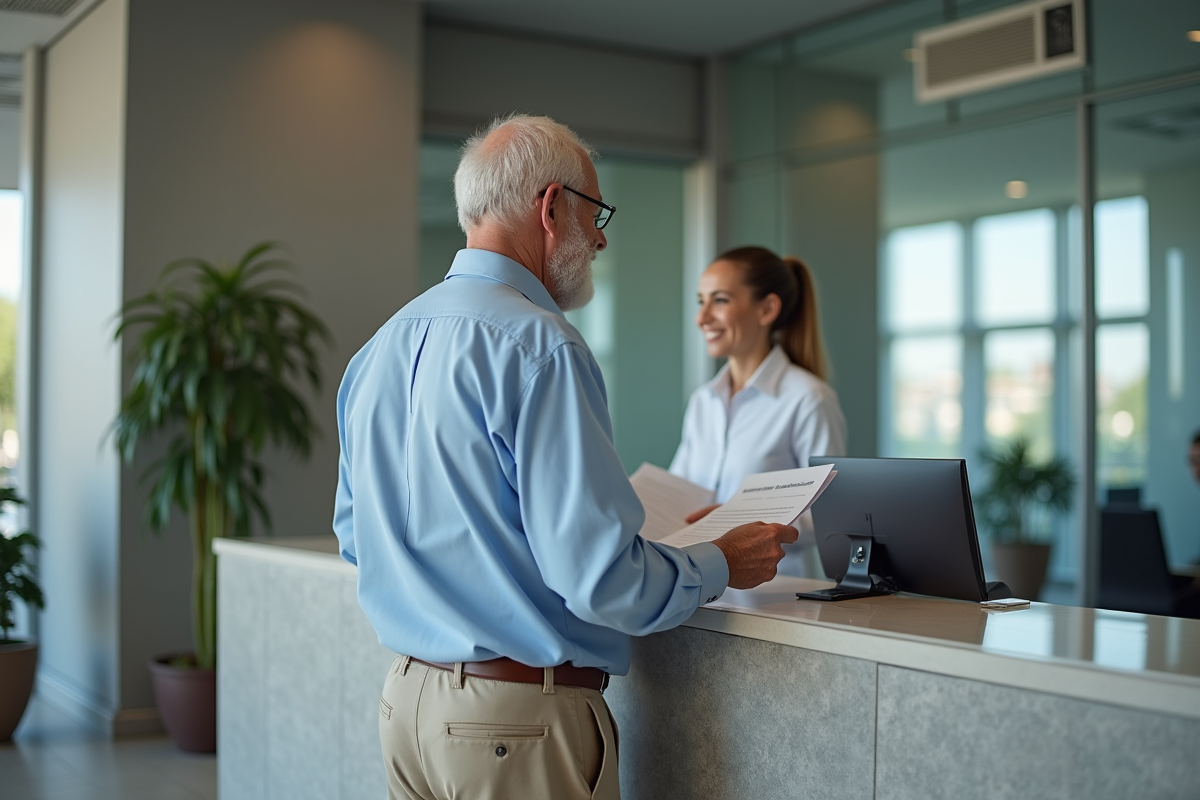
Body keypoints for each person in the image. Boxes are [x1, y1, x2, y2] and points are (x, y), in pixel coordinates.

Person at [333, 115, 797, 800]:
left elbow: (355, 536)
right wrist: (722, 561)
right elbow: (601, 580)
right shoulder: (540, 345)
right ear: (551, 208)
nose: (601, 235)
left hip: (406, 709)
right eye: (594, 212)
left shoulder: (380, 346)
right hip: (513, 727)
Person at [669, 246, 848, 569]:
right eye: (701, 301)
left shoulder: (809, 398)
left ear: (766, 309)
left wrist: (736, 519)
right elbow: (681, 494)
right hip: (698, 587)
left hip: (774, 599)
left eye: (719, 300)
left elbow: (829, 518)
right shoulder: (702, 402)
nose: (702, 317)